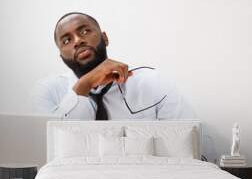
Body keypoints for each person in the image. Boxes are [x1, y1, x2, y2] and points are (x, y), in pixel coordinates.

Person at [30, 12, 196, 120]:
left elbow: (189, 143)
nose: (78, 41)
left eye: (85, 31)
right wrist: (84, 85)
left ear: (105, 38)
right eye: (67, 40)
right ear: (61, 56)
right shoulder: (47, 91)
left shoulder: (153, 83)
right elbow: (48, 149)